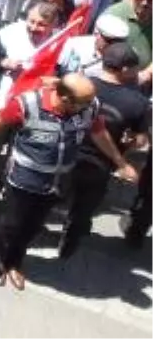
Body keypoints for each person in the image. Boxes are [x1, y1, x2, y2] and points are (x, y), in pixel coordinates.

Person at [0, 74, 138, 289]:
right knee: (10, 225)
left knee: (32, 227)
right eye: (84, 102)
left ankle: (14, 262)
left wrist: (120, 162)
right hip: (23, 181)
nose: (91, 106)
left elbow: (99, 132)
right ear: (66, 99)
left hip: (56, 184)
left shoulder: (89, 108)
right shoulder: (27, 105)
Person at [60, 44, 149, 259]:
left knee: (54, 194)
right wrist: (128, 145)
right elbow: (141, 141)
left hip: (66, 151)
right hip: (99, 163)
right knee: (84, 206)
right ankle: (69, 243)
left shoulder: (83, 86)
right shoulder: (138, 103)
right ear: (125, 69)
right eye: (136, 67)